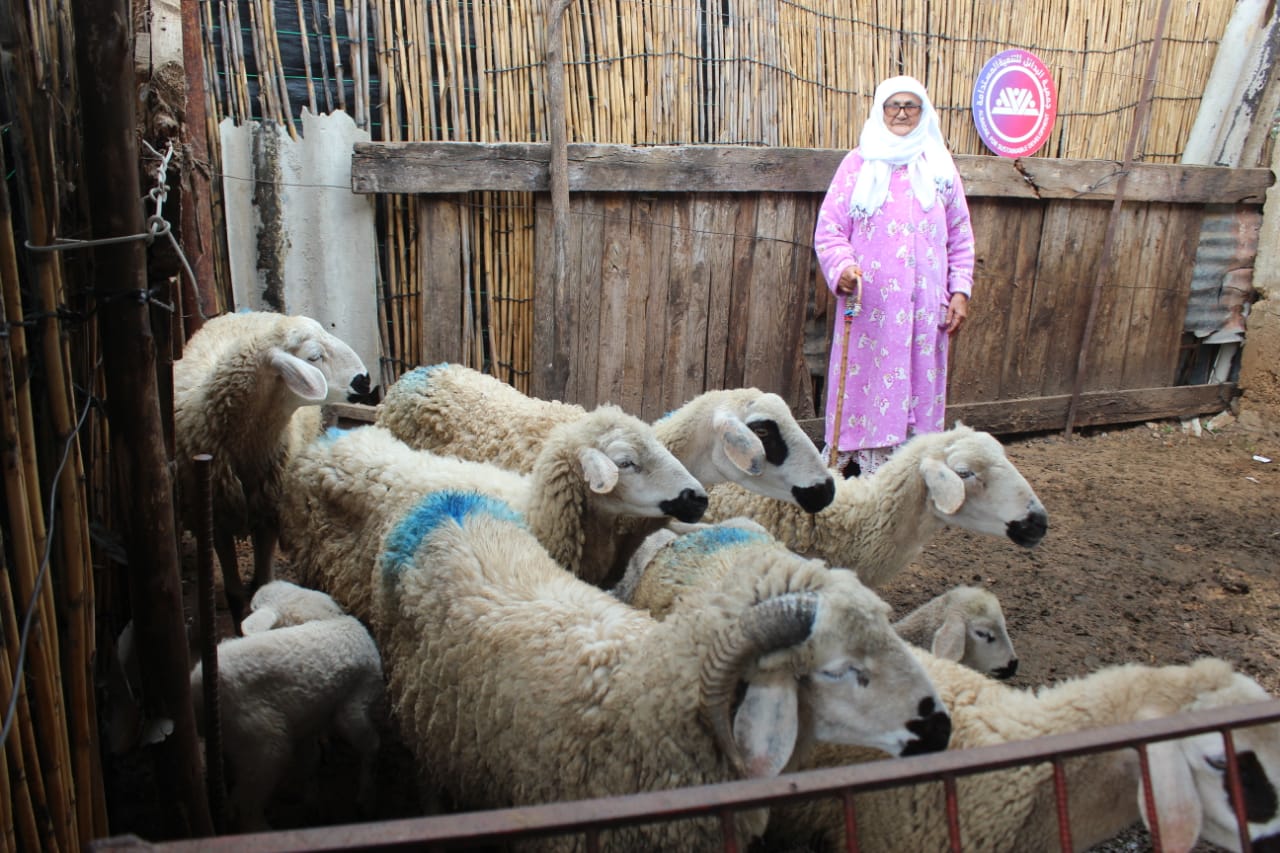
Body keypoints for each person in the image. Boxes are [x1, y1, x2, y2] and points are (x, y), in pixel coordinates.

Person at [814, 75, 975, 477]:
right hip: (871, 311)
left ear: (923, 113)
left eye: (911, 106)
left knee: (918, 388)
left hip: (924, 314)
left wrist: (959, 291)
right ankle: (857, 474)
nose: (902, 113)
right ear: (880, 110)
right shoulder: (857, 164)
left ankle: (908, 472)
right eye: (893, 105)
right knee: (863, 386)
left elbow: (960, 234)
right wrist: (843, 267)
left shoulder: (940, 167)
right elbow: (830, 229)